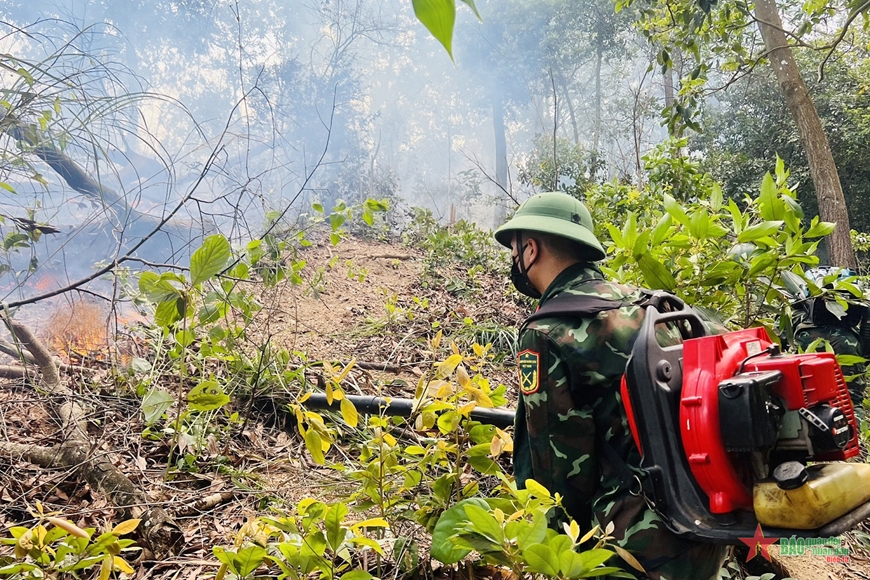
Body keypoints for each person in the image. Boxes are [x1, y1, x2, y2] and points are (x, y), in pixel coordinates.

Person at [494, 192, 728, 580]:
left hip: (628, 545)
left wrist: (557, 556)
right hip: (705, 517)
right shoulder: (655, 306)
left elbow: (557, 477)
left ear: (530, 249)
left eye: (515, 250)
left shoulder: (549, 333)